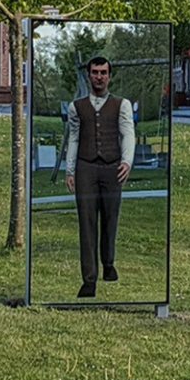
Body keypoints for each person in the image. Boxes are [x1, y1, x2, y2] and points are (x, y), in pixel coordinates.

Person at [62, 55, 134, 298]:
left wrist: (126, 161)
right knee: (87, 221)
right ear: (88, 75)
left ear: (109, 76)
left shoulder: (121, 104)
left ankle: (109, 262)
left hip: (113, 167)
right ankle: (89, 279)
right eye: (95, 72)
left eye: (103, 72)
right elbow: (73, 138)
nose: (99, 76)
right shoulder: (77, 107)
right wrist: (70, 170)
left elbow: (128, 134)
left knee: (111, 218)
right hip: (86, 167)